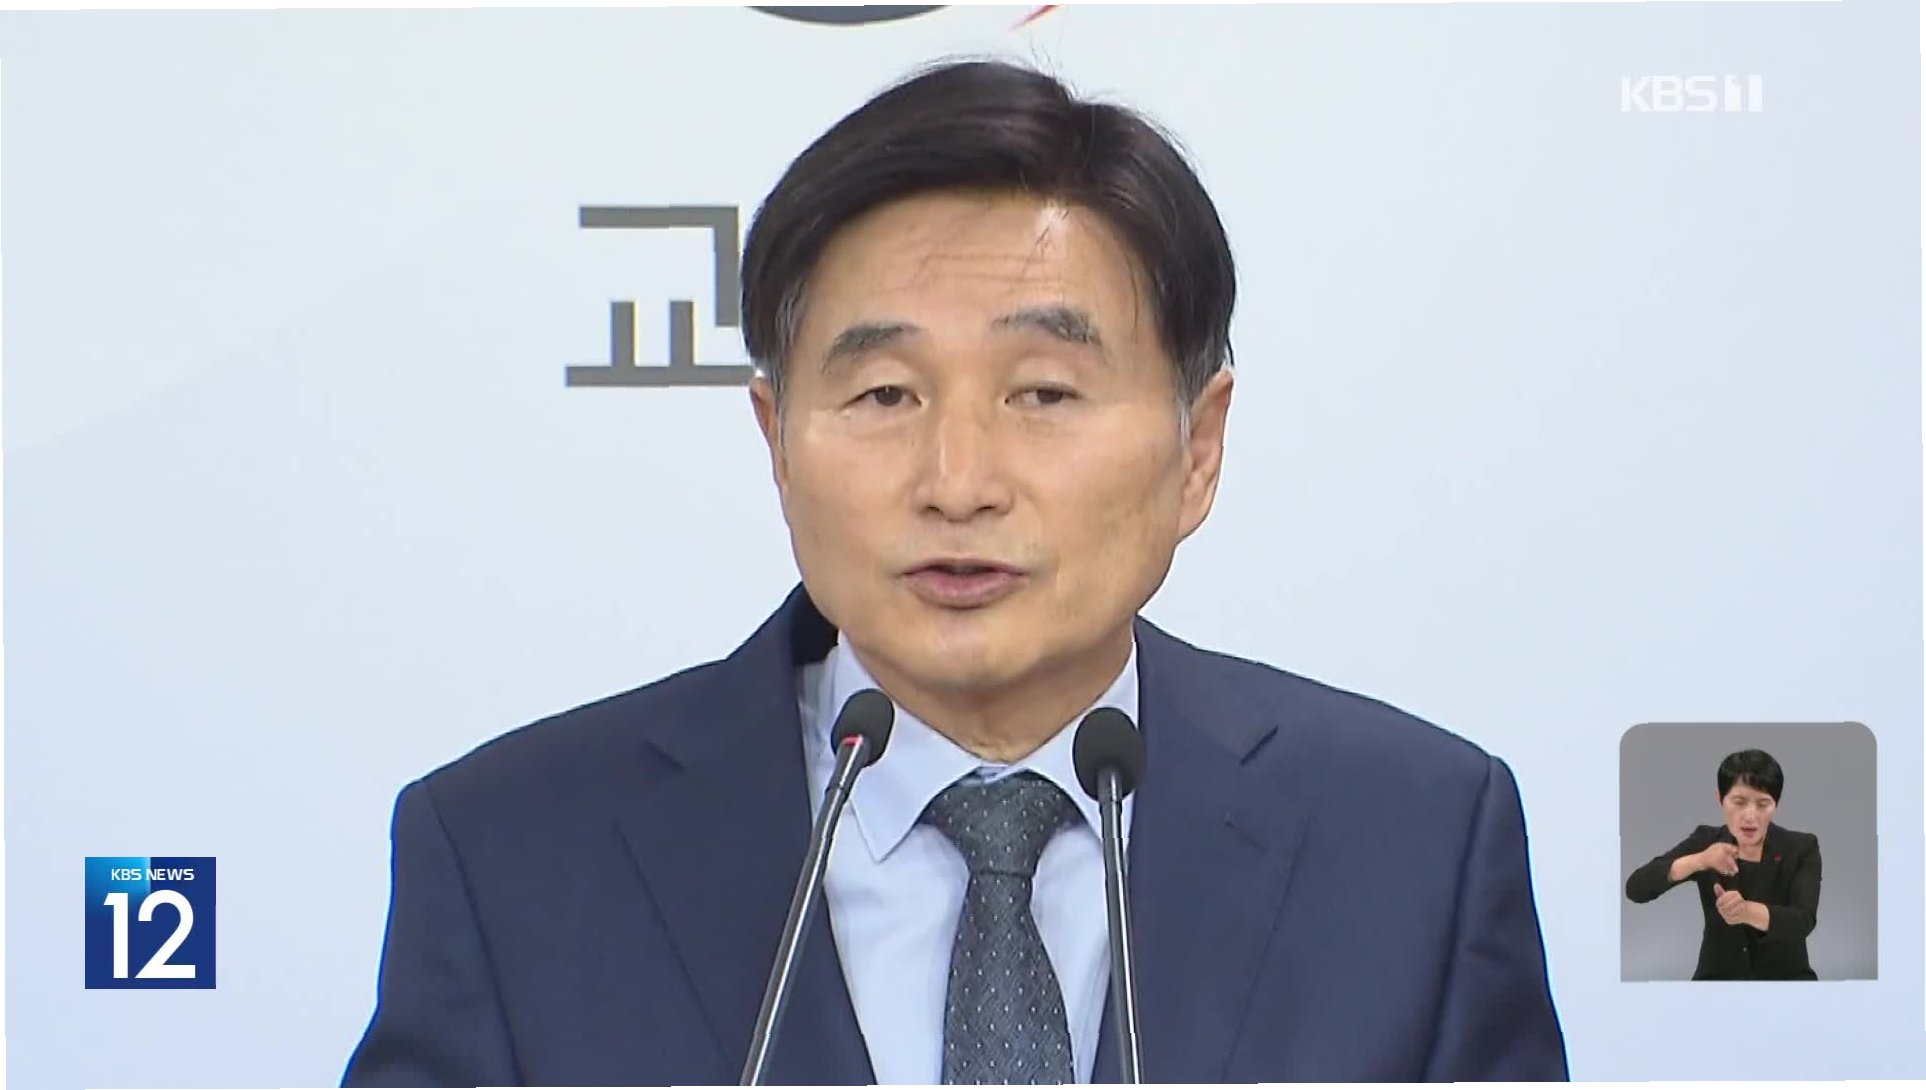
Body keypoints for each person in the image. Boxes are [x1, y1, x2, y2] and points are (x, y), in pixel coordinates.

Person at [342, 58, 1567, 1086]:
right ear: (777, 444)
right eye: (884, 394)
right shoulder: (513, 853)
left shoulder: (1410, 842)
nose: (959, 480)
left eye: (1045, 393)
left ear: (1198, 448)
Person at [1624, 749, 1821, 980]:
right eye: (1739, 802)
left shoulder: (1801, 847)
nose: (1750, 816)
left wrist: (1746, 911)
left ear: (1775, 804)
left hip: (1787, 980)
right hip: (1716, 980)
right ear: (1720, 799)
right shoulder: (1706, 841)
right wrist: (1700, 860)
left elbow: (1803, 921)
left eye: (1762, 804)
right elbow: (1636, 888)